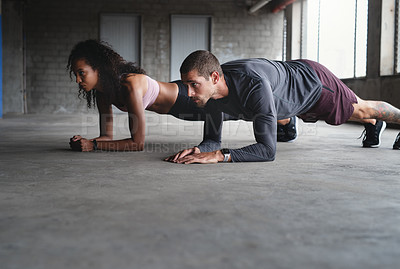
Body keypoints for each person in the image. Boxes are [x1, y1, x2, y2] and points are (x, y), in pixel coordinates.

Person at [165, 50, 400, 164]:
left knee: (362, 108)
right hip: (286, 91)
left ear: (215, 77)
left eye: (194, 85)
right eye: (186, 85)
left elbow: (268, 151)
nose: (189, 93)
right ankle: (372, 124)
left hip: (314, 84)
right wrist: (200, 150)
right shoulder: (212, 96)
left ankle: (375, 119)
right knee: (266, 108)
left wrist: (219, 156)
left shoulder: (253, 86)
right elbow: (212, 140)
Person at [67, 40, 296, 152]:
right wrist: (90, 141)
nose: (78, 80)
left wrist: (94, 146)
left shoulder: (130, 84)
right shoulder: (103, 94)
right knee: (238, 112)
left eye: (81, 73)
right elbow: (105, 136)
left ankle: (286, 118)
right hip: (179, 108)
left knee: (241, 111)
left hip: (187, 100)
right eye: (76, 74)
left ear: (99, 68)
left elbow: (137, 144)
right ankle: (282, 119)